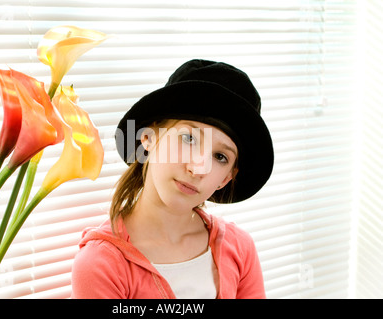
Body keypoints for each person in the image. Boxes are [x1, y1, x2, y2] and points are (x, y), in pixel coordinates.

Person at [71, 59, 274, 299]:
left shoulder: (240, 249)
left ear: (227, 177)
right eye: (189, 138)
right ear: (148, 137)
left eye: (220, 156)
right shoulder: (101, 265)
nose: (198, 168)